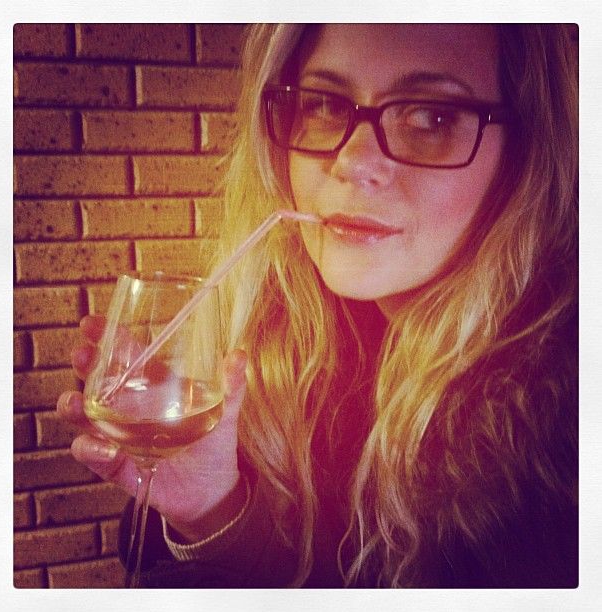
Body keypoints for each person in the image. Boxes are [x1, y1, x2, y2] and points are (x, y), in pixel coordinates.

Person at [57, 23, 578, 588]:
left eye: (432, 117)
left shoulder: (563, 437)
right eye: (324, 104)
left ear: (525, 152)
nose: (352, 162)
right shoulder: (285, 342)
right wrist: (213, 510)